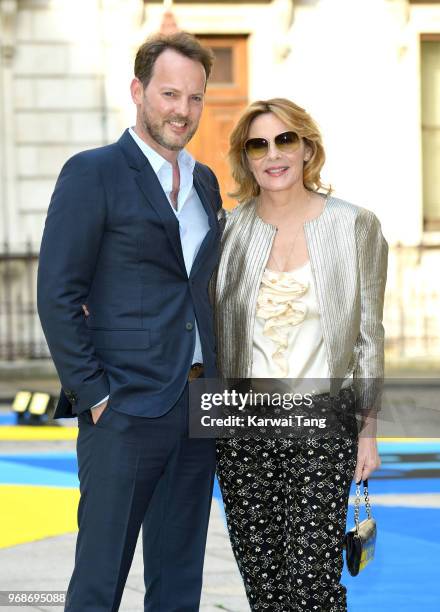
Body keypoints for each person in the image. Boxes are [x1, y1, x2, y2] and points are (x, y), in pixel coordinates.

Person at [37, 32, 222, 612]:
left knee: (178, 583)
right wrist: (94, 395)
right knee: (98, 584)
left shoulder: (206, 182)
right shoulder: (93, 172)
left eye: (195, 98)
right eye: (170, 94)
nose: (182, 111)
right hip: (123, 411)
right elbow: (57, 293)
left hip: (197, 408)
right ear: (138, 91)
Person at [213, 98, 388, 611]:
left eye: (285, 139)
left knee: (311, 587)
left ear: (308, 147)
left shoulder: (355, 224)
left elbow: (369, 335)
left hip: (323, 425)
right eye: (258, 144)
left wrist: (369, 431)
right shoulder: (228, 230)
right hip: (242, 429)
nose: (274, 154)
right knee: (264, 587)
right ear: (246, 158)